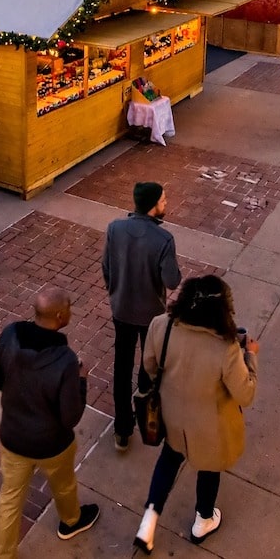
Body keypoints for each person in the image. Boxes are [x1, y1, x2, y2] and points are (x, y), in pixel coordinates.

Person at [133, 276, 258, 553]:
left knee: (168, 461)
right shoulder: (225, 348)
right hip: (210, 426)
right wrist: (250, 356)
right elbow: (245, 394)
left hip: (173, 416)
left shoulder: (161, 326)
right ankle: (203, 519)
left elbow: (150, 366)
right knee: (209, 467)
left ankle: (149, 522)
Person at [0, 287, 99, 555]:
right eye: (70, 307)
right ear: (60, 315)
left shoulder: (11, 334)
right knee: (63, 484)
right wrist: (82, 380)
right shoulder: (66, 360)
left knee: (10, 500)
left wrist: (20, 395)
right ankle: (71, 521)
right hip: (52, 443)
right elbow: (70, 416)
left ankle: (3, 555)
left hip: (13, 436)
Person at [102, 183, 182, 450]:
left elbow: (106, 267)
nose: (166, 203)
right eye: (163, 200)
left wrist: (114, 290)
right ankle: (146, 408)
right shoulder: (163, 240)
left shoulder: (115, 228)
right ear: (152, 206)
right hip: (151, 315)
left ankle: (122, 429)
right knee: (150, 364)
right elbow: (172, 281)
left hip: (121, 309)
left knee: (121, 366)